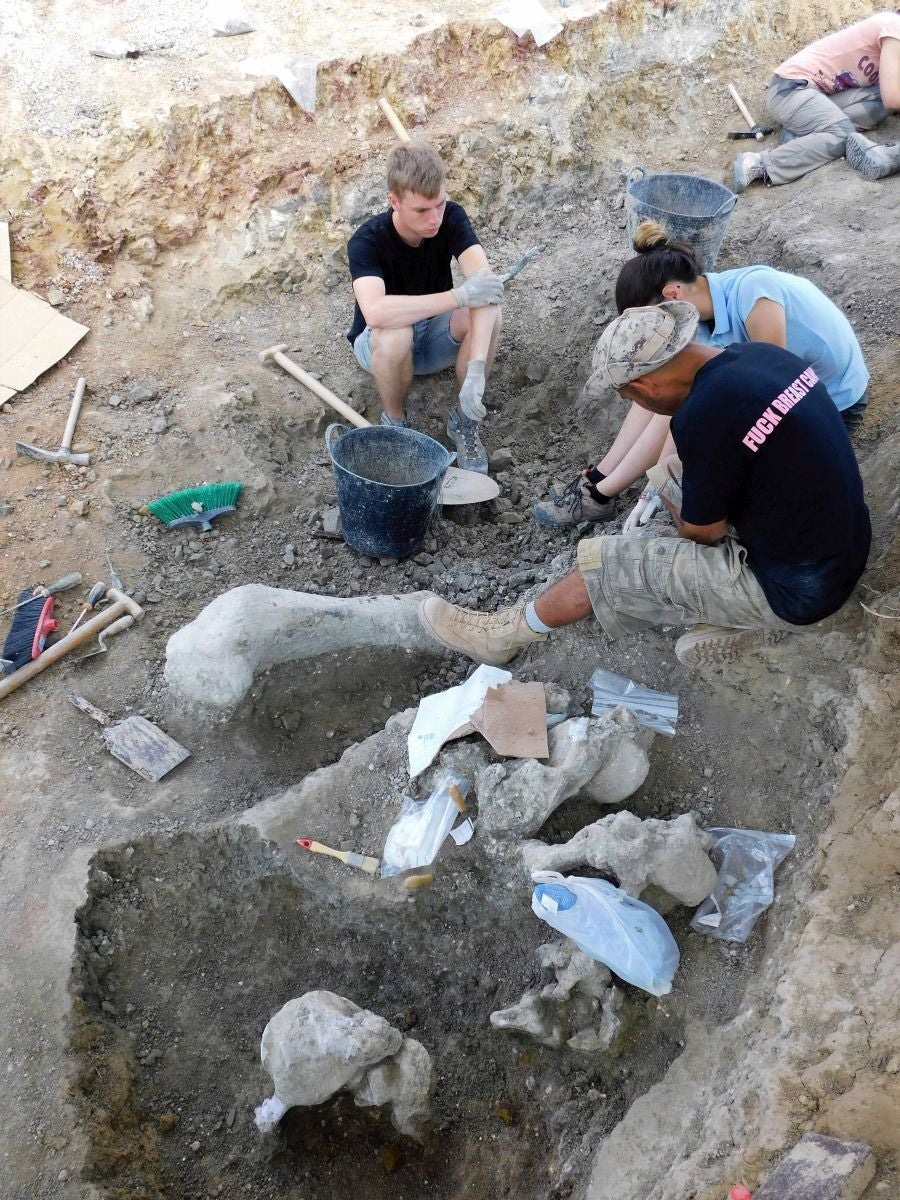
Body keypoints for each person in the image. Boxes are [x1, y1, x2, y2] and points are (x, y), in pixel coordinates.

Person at [419, 302, 871, 669]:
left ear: (646, 383)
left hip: (800, 589)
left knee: (612, 562)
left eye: (630, 395)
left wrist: (672, 503)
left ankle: (504, 636)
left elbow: (704, 533)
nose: (635, 403)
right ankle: (732, 614)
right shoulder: (763, 356)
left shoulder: (706, 414)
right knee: (674, 478)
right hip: (844, 545)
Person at [532, 220, 869, 528]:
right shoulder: (700, 319)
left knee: (685, 397)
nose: (650, 336)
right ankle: (600, 478)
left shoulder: (755, 293)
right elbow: (663, 395)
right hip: (778, 400)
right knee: (658, 380)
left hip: (830, 409)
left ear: (672, 296)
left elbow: (771, 392)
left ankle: (601, 495)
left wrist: (665, 481)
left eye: (650, 324)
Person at [346, 141, 504, 474]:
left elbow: (485, 286)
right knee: (395, 333)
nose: (434, 219)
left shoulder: (451, 217)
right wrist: (458, 296)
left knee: (489, 309)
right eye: (421, 210)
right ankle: (396, 423)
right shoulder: (367, 241)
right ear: (394, 201)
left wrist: (477, 366)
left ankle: (463, 422)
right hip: (379, 345)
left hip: (433, 338)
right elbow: (375, 312)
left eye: (439, 205)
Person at [734, 10, 900, 191]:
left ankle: (802, 135)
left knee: (879, 102)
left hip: (818, 97)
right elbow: (892, 97)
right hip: (789, 88)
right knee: (842, 134)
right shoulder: (894, 28)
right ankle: (758, 164)